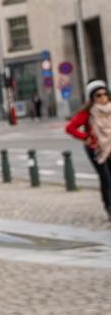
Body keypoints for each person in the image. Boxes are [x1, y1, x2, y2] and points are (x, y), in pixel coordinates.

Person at [66, 80, 111, 220]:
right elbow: (70, 128)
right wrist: (86, 137)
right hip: (96, 150)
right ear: (92, 98)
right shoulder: (87, 113)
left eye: (105, 94)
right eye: (98, 95)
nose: (103, 98)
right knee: (106, 179)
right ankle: (109, 207)